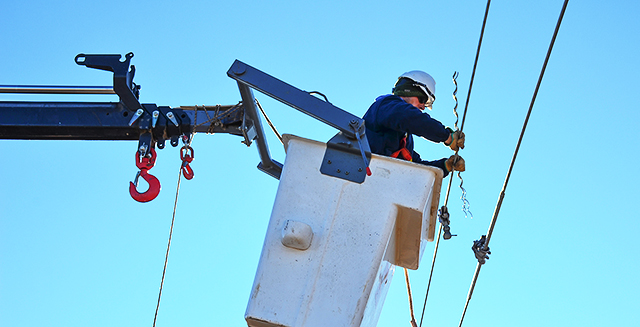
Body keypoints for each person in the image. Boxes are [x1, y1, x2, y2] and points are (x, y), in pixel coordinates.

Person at [362, 70, 465, 177]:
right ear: (409, 91)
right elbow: (413, 119)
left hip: (380, 183)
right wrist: (447, 136)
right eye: (422, 99)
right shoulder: (386, 106)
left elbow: (416, 167)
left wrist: (445, 166)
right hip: (361, 174)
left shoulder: (404, 139)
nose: (423, 107)